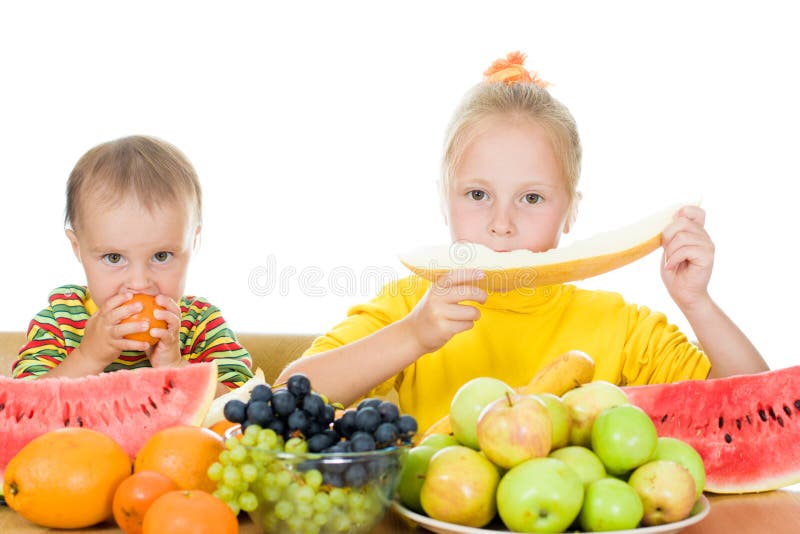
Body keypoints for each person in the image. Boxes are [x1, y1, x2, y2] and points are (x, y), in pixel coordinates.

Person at [278, 52, 768, 432]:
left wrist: (696, 302)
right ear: (443, 202)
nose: (501, 224)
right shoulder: (411, 309)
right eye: (477, 195)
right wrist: (413, 335)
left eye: (531, 198)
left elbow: (758, 409)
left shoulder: (621, 327)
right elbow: (288, 396)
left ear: (571, 210)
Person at [12, 135, 253, 395]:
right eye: (114, 258)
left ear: (193, 242)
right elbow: (23, 404)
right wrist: (87, 357)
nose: (140, 282)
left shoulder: (201, 326)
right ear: (77, 248)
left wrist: (175, 366)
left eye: (161, 256)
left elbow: (244, 404)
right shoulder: (59, 321)